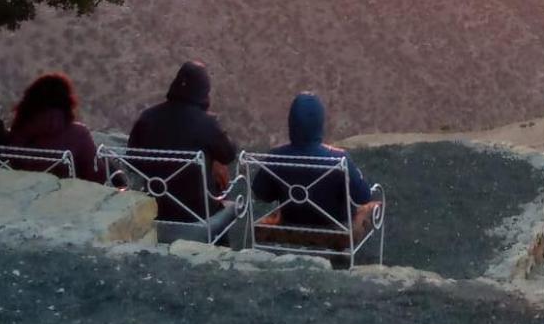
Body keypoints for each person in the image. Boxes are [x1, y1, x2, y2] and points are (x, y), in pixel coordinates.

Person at [252, 92, 378, 248]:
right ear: (320, 124)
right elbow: (363, 196)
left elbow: (261, 193)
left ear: (291, 123)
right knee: (372, 206)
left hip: (291, 222)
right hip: (336, 228)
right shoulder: (338, 158)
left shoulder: (276, 156)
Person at [127, 61, 240, 223]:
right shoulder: (206, 124)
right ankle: (217, 245)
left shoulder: (148, 117)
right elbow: (229, 155)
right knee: (221, 188)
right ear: (204, 92)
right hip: (197, 213)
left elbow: (132, 161)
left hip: (155, 206)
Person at [6, 73, 99, 182]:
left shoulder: (18, 131)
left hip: (20, 190)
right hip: (64, 193)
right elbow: (96, 175)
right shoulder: (77, 135)